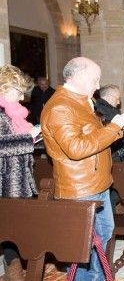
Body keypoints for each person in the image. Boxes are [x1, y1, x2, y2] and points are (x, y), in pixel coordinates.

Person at [41, 57, 124, 280]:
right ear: (79, 77)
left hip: (96, 183)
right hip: (80, 188)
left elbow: (90, 137)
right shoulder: (61, 106)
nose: (98, 86)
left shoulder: (79, 101)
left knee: (102, 236)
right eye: (95, 80)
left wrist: (114, 129)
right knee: (81, 247)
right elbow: (76, 148)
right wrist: (114, 127)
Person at [0, 65, 41, 281]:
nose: (21, 95)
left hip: (18, 178)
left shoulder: (14, 113)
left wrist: (35, 137)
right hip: (4, 180)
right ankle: (12, 266)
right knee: (8, 224)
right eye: (17, 90)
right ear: (4, 88)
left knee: (15, 223)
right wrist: (29, 138)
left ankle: (16, 265)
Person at [95, 84, 124, 162]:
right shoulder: (108, 112)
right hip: (114, 155)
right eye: (117, 99)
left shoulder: (101, 108)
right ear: (109, 97)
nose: (118, 102)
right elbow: (117, 133)